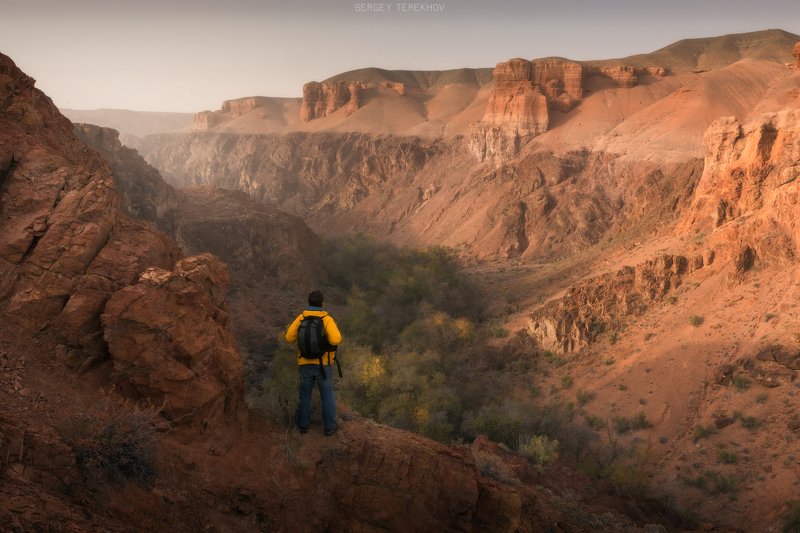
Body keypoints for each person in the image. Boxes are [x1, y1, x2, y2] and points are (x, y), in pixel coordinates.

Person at [285, 290, 342, 436]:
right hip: (323, 365)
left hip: (305, 364)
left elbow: (289, 338)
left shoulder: (301, 318)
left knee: (305, 395)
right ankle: (329, 427)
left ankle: (303, 426)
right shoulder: (326, 319)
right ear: (322, 303)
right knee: (327, 395)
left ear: (309, 302)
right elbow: (336, 339)